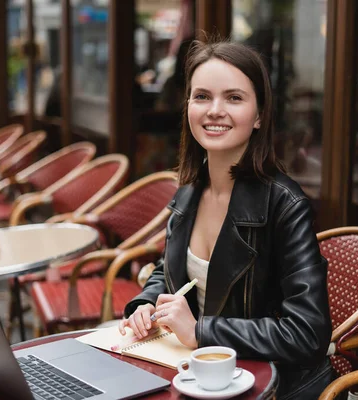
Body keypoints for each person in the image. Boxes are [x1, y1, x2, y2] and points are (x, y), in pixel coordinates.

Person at [119, 40, 334, 399]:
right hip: (197, 374)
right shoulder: (189, 189)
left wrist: (201, 331)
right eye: (202, 96)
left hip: (270, 385)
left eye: (234, 98)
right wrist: (145, 304)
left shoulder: (286, 203)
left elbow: (308, 334)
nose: (214, 110)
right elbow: (169, 270)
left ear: (260, 114)